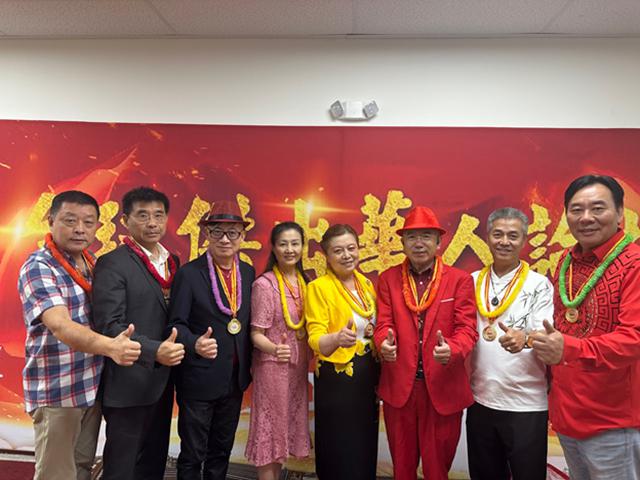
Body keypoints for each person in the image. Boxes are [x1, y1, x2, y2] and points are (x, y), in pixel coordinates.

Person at [17, 190, 141, 480]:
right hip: (58, 390)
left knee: (82, 467)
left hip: (90, 387)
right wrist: (111, 347)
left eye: (88, 222)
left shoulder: (91, 262)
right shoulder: (39, 266)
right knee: (56, 473)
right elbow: (60, 325)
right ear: (51, 221)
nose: (79, 229)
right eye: (70, 220)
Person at [531, 174, 640, 480]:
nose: (586, 218)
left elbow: (634, 338)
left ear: (620, 213)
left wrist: (568, 348)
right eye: (576, 209)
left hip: (612, 421)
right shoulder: (566, 261)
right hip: (567, 415)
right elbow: (558, 329)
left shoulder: (634, 264)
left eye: (598, 208)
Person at [374, 205, 478, 480]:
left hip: (443, 387)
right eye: (412, 237)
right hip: (401, 388)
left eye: (426, 236)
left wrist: (453, 349)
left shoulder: (459, 280)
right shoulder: (388, 279)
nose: (419, 243)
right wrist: (383, 342)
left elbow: (467, 329)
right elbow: (383, 323)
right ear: (403, 243)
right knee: (402, 469)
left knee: (437, 470)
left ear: (438, 241)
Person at [92, 187, 184, 480]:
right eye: (142, 215)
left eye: (158, 215)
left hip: (162, 380)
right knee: (122, 467)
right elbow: (109, 325)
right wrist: (155, 351)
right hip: (128, 381)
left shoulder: (172, 262)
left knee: (152, 464)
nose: (152, 223)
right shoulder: (112, 263)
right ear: (125, 220)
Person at [169, 200, 255, 480]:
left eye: (232, 232)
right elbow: (175, 324)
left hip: (234, 379)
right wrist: (194, 343)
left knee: (221, 451)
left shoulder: (247, 273)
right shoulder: (189, 274)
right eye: (217, 231)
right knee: (193, 453)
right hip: (199, 378)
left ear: (243, 235)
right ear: (206, 234)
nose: (225, 239)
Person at [467, 207, 553, 480]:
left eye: (513, 236)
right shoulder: (471, 281)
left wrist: (525, 339)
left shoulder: (539, 284)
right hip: (480, 400)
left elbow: (547, 337)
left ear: (524, 240)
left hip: (525, 404)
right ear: (488, 237)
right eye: (498, 234)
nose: (504, 241)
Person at [305, 224, 379, 480]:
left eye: (351, 248)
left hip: (367, 374)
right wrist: (336, 338)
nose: (347, 255)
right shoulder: (318, 287)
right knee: (339, 445)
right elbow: (314, 338)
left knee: (364, 441)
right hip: (336, 377)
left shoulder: (366, 284)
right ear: (326, 255)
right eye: (338, 251)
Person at [245, 222, 311, 480]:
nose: (290, 249)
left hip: (297, 369)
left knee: (284, 432)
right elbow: (255, 335)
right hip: (272, 368)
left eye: (295, 243)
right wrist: (275, 349)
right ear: (273, 248)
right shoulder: (265, 285)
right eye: (283, 244)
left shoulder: (306, 283)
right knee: (270, 432)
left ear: (303, 247)